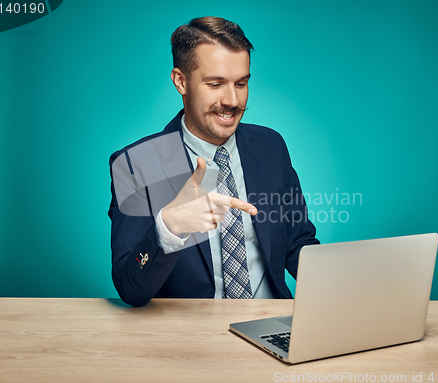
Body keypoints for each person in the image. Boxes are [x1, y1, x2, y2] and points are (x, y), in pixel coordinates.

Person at [108, 16, 320, 306]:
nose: (232, 100)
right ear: (181, 81)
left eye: (241, 83)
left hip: (270, 324)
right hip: (190, 339)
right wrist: (169, 227)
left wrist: (341, 285)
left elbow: (297, 243)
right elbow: (130, 288)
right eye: (215, 83)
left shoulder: (271, 147)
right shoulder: (136, 165)